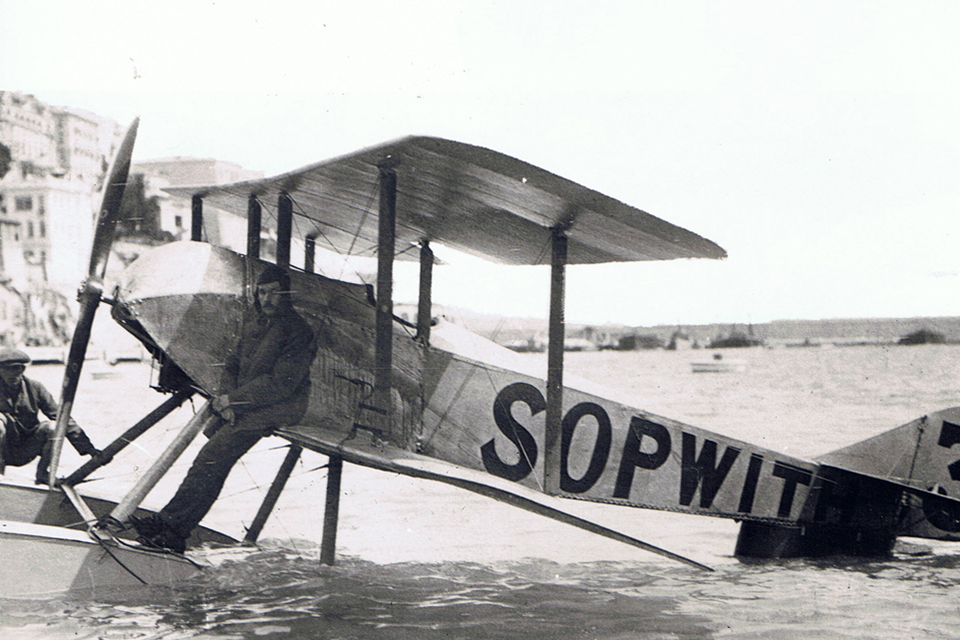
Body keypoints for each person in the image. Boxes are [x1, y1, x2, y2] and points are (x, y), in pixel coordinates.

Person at [131, 264, 317, 553]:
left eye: (274, 294)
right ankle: (168, 521)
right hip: (247, 402)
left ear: (286, 295)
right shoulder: (255, 324)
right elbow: (232, 364)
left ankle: (174, 531)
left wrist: (233, 401)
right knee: (208, 455)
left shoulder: (299, 332)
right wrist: (228, 398)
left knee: (212, 457)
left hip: (280, 407)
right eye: (262, 293)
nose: (266, 300)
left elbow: (281, 384)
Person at [0, 347, 102, 484]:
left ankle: (42, 474)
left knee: (53, 427)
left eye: (19, 369)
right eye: (8, 369)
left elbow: (61, 417)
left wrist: (88, 448)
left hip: (26, 449)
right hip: (4, 449)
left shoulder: (35, 388)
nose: (14, 374)